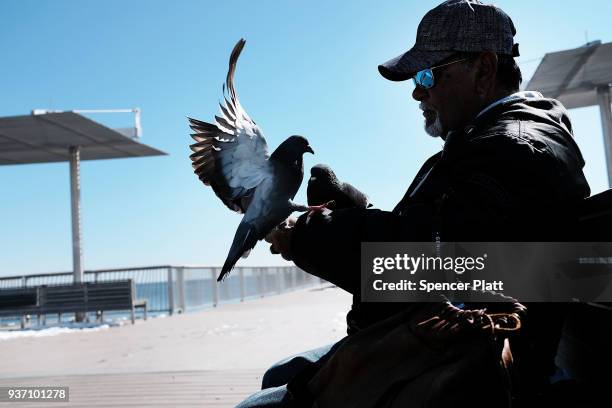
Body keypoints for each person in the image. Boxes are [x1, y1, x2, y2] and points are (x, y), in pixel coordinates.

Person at [237, 0, 590, 406]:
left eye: (427, 75)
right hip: (437, 345)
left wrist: (309, 235)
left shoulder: (513, 150)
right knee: (281, 373)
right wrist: (354, 213)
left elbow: (431, 265)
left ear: (484, 70)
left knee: (256, 403)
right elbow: (452, 236)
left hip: (468, 374)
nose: (417, 92)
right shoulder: (490, 142)